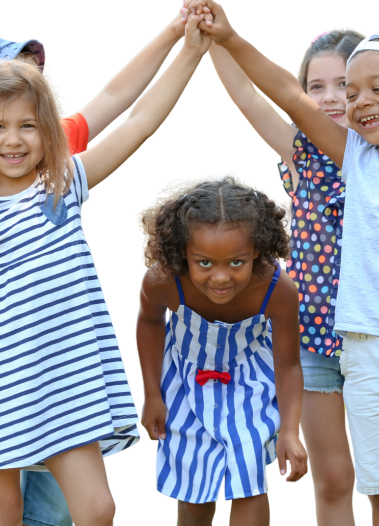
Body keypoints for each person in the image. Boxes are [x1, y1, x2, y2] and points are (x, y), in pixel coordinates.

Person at [0, 12, 210, 526]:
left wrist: (189, 52)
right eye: (1, 126)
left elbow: (134, 119)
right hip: (6, 383)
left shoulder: (59, 186)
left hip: (61, 380)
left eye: (28, 125)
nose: (14, 139)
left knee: (97, 510)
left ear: (49, 129)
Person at [182, 2, 379, 522]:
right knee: (334, 475)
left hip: (370, 334)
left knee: (376, 474)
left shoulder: (361, 154)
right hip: (315, 335)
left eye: (345, 84)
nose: (333, 97)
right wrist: (219, 40)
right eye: (319, 87)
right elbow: (252, 94)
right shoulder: (304, 153)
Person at [137, 177, 307, 526]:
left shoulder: (277, 290)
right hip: (184, 386)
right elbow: (150, 325)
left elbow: (288, 365)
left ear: (257, 250)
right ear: (182, 250)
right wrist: (152, 395)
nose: (220, 278)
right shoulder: (163, 280)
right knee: (195, 487)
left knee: (247, 480)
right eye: (204, 263)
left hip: (251, 385)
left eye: (236, 263)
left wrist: (290, 430)